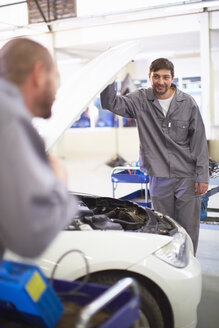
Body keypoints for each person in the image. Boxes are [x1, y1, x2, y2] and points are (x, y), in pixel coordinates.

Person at [100, 58, 209, 254]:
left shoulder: (187, 103)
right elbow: (111, 102)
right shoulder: (140, 100)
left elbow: (199, 140)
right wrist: (110, 75)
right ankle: (168, 262)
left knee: (189, 226)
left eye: (165, 77)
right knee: (164, 224)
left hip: (187, 174)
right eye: (156, 76)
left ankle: (189, 261)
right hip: (158, 176)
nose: (161, 82)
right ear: (149, 77)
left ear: (172, 78)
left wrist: (202, 176)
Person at [0, 37, 78, 260]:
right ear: (39, 73)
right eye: (56, 79)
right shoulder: (10, 121)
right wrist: (59, 180)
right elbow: (30, 237)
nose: (56, 90)